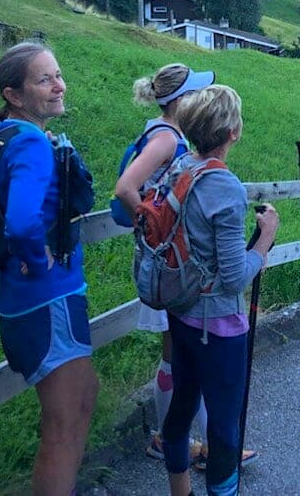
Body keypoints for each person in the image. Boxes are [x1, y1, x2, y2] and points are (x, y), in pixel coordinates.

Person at [0, 41, 99, 496]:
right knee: (64, 427)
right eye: (44, 79)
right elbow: (23, 221)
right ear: (14, 94)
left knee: (81, 399)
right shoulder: (31, 141)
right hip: (46, 299)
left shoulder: (4, 135)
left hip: (27, 301)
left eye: (58, 74)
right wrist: (37, 260)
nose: (59, 86)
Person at [160, 84, 279, 496]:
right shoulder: (224, 187)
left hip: (181, 313)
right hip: (220, 327)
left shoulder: (179, 168)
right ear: (233, 132)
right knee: (226, 429)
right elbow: (233, 277)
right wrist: (265, 240)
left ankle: (181, 491)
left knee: (182, 407)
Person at [114, 63, 215, 462]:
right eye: (195, 93)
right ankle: (198, 443)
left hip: (165, 260)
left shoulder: (164, 132)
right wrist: (155, 226)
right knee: (184, 355)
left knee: (177, 354)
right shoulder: (166, 138)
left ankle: (182, 438)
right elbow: (125, 187)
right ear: (180, 101)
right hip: (168, 263)